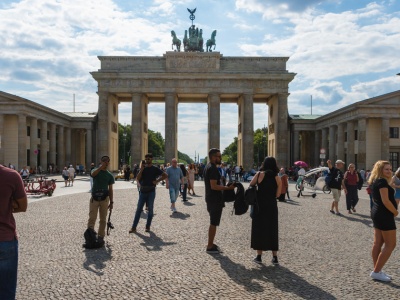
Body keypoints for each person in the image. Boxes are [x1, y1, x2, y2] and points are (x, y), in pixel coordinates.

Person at [0, 163, 28, 299]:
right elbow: (23, 206)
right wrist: (6, 207)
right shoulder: (11, 175)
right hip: (5, 240)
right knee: (6, 292)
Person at [368, 160, 398, 282]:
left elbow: (378, 200)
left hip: (377, 212)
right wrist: (395, 212)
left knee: (378, 243)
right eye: (386, 169)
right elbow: (386, 201)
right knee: (391, 245)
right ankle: (376, 271)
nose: (389, 171)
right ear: (380, 170)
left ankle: (378, 270)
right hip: (384, 214)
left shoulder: (376, 181)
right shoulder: (382, 182)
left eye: (390, 169)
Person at [250, 157, 282, 265]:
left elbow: (251, 184)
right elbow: (278, 194)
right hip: (272, 205)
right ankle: (275, 257)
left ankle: (259, 257)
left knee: (259, 229)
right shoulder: (277, 178)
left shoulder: (259, 174)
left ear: (264, 164)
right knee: (272, 229)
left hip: (260, 205)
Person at [203, 148, 235, 254]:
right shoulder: (212, 168)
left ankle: (211, 243)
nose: (220, 158)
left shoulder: (209, 167)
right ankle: (210, 245)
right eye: (219, 156)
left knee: (214, 221)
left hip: (211, 198)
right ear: (213, 157)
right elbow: (214, 186)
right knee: (214, 222)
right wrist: (227, 188)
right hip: (214, 199)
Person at [129, 153, 167, 233]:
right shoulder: (143, 169)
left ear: (152, 159)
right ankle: (134, 227)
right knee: (138, 209)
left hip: (151, 191)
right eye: (146, 158)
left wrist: (157, 181)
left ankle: (148, 226)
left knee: (150, 210)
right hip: (142, 191)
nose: (147, 159)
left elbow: (165, 175)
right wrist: (142, 169)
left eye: (149, 158)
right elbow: (137, 179)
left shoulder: (155, 168)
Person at [87, 155, 115, 245]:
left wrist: (112, 202)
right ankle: (90, 236)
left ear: (109, 162)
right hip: (94, 198)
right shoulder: (95, 170)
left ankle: (100, 237)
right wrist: (100, 168)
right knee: (92, 217)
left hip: (104, 199)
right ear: (100, 161)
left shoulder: (109, 175)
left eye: (107, 161)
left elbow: (110, 189)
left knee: (103, 219)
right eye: (104, 160)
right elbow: (93, 174)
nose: (105, 162)